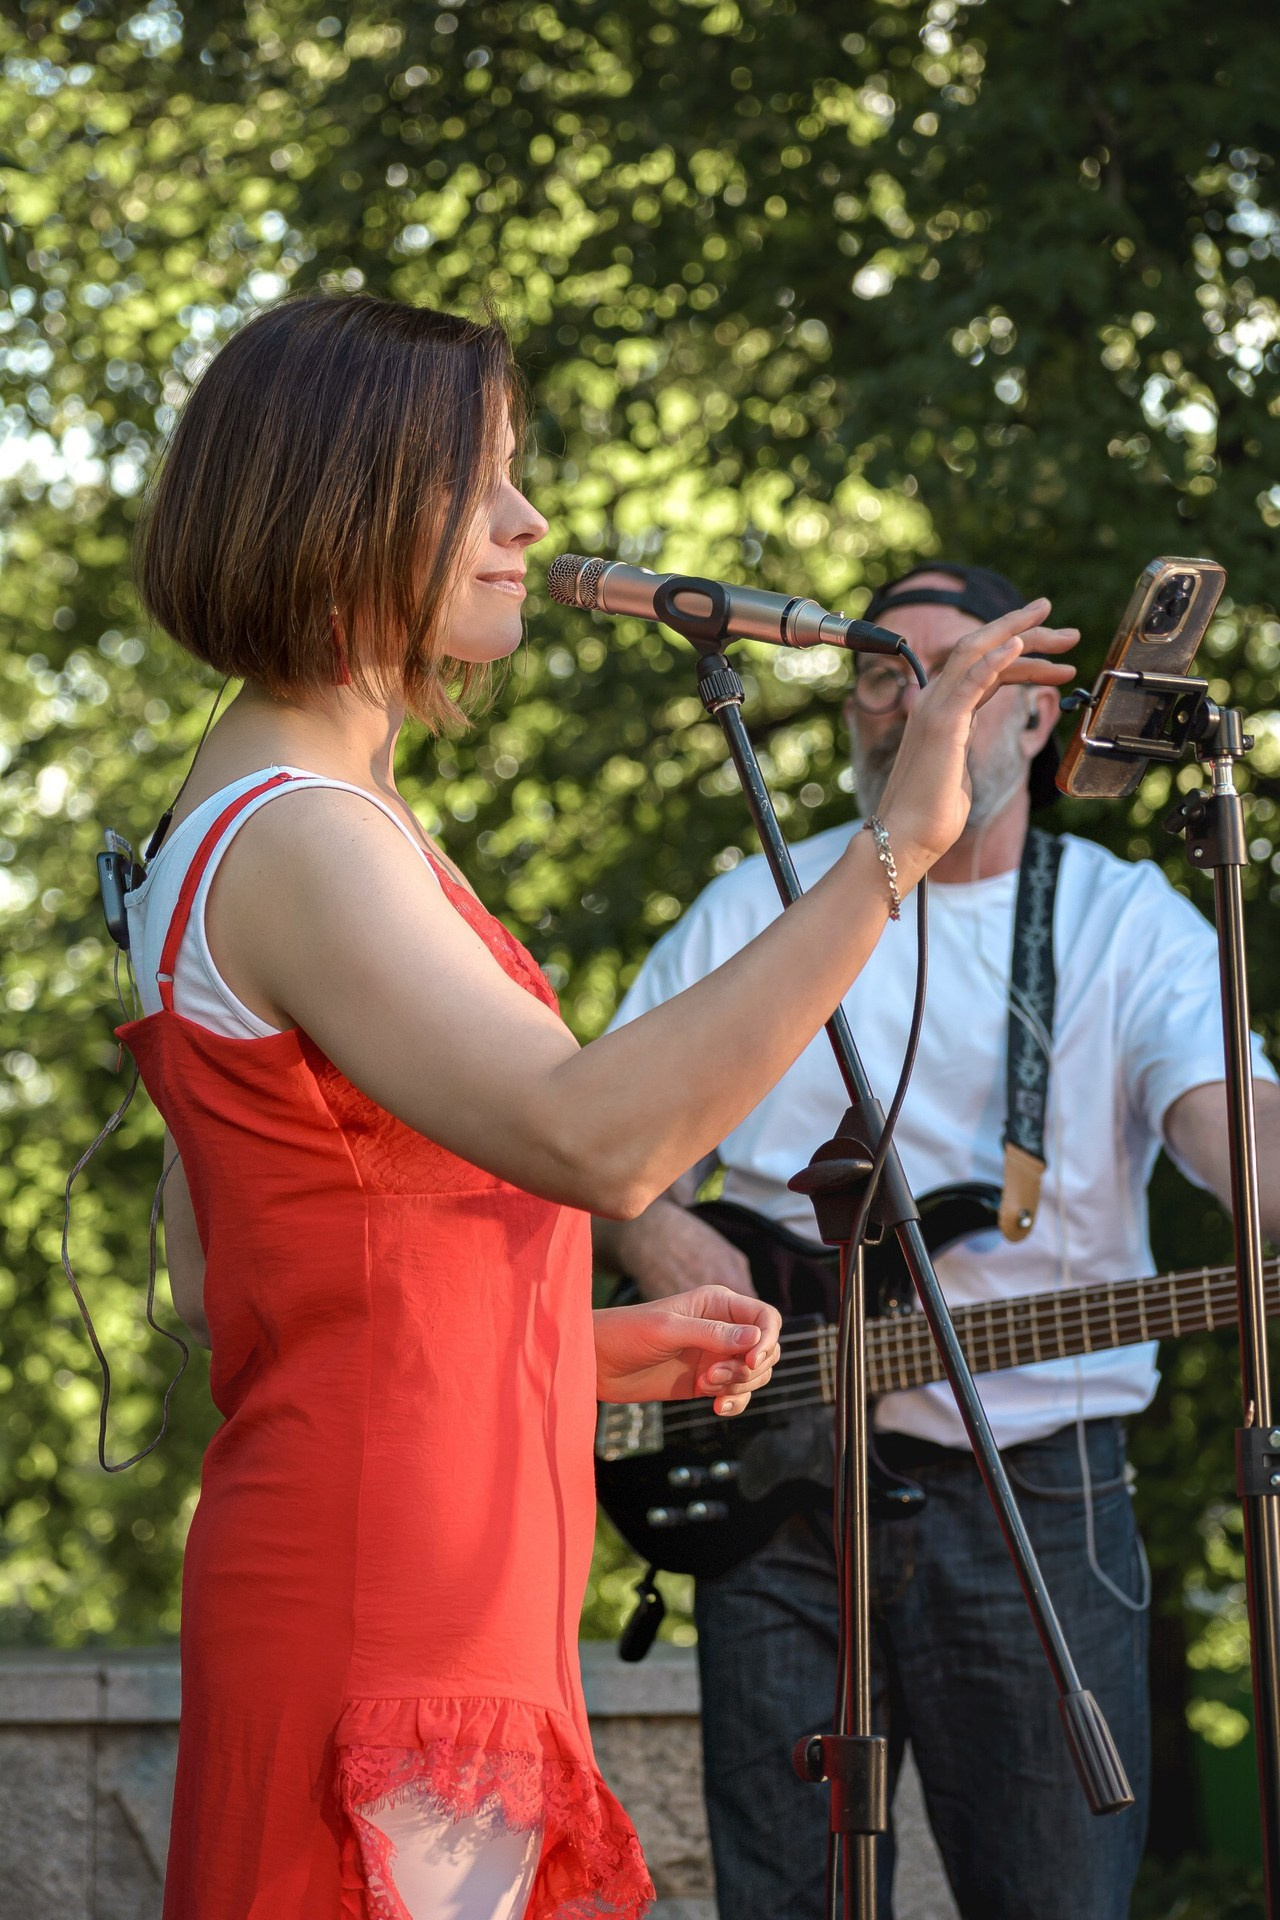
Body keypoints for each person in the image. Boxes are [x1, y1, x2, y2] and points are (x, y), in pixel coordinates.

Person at [116, 297, 1076, 1920]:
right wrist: (894, 849)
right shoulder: (300, 834)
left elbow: (266, 1281)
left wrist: (578, 1349)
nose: (529, 524)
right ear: (341, 501)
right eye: (477, 480)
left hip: (410, 1573)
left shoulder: (296, 815)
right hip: (392, 1606)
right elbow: (601, 1137)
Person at [595, 562, 1280, 1920]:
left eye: (960, 669)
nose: (913, 698)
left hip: (1041, 1494)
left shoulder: (1119, 919)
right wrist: (661, 1237)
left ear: (1037, 718)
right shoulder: (752, 909)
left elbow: (1235, 1139)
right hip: (775, 1502)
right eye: (879, 672)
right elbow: (587, 1149)